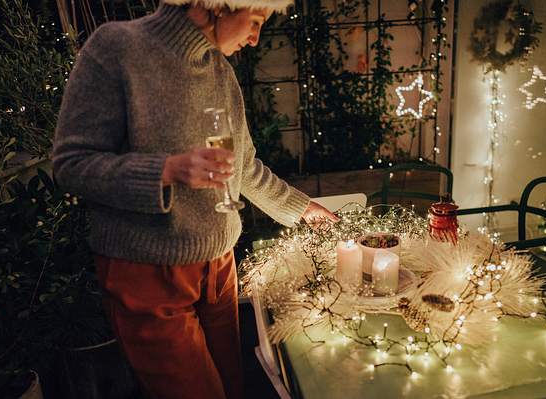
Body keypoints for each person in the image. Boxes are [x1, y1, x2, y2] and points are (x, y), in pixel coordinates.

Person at [52, 0, 336, 398]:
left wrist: (302, 209)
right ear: (218, 5)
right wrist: (166, 170)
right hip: (149, 274)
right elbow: (71, 165)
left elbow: (244, 169)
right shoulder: (117, 48)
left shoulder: (220, 71)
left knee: (233, 388)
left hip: (219, 269)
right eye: (254, 21)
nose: (255, 38)